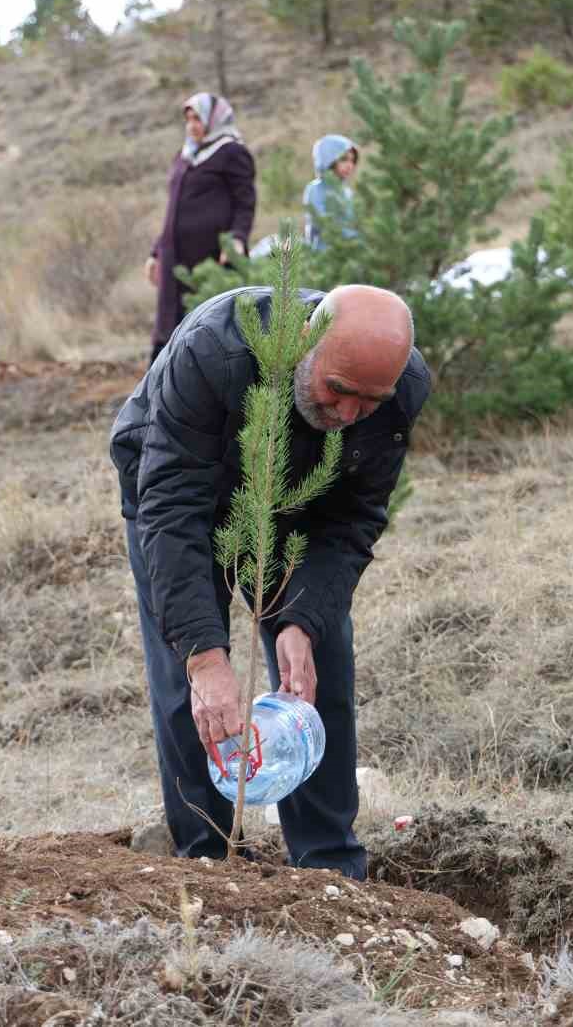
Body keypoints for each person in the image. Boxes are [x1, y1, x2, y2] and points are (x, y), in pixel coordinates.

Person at [109, 284, 430, 879]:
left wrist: (302, 622)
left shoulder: (402, 387)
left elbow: (352, 520)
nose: (351, 415)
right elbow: (172, 505)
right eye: (338, 390)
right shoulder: (216, 352)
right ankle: (206, 858)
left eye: (371, 401)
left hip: (302, 505)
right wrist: (205, 656)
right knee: (192, 679)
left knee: (316, 669)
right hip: (180, 496)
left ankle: (327, 861)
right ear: (305, 343)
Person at [144, 93, 257, 365]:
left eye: (198, 118)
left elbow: (246, 202)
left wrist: (237, 240)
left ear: (214, 119)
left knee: (205, 330)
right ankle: (157, 392)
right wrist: (156, 252)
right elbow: (173, 209)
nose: (192, 125)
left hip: (210, 258)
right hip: (175, 259)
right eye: (188, 119)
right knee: (168, 328)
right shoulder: (183, 156)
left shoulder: (232, 152)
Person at [303, 134, 358, 252]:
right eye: (344, 159)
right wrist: (352, 236)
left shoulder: (347, 192)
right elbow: (324, 223)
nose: (350, 165)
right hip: (323, 258)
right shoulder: (315, 189)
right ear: (329, 159)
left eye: (352, 160)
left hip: (349, 256)